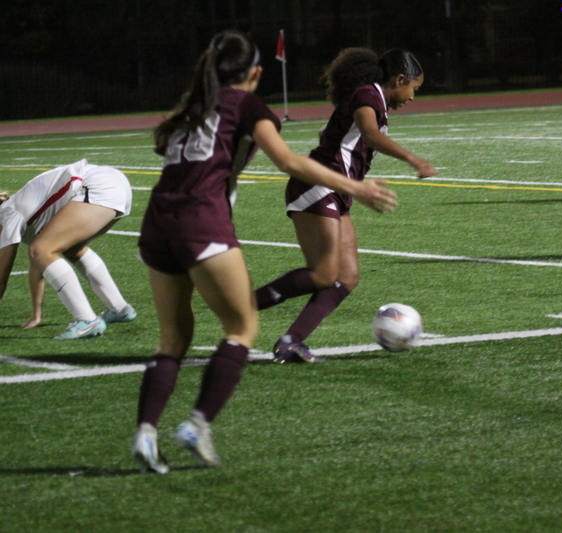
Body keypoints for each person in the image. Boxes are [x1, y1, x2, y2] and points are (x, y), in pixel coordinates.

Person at [131, 30, 397, 474]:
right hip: (201, 221)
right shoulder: (248, 105)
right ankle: (197, 423)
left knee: (173, 339)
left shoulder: (191, 105)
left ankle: (145, 433)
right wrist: (356, 187)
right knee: (242, 326)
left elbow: (168, 146)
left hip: (156, 224)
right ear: (255, 72)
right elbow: (290, 162)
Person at [253, 47, 437, 364]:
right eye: (413, 89)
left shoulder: (373, 99)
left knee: (347, 278)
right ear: (400, 78)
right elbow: (369, 132)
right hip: (318, 184)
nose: (412, 97)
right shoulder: (369, 94)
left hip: (337, 191)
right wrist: (412, 158)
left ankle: (290, 341)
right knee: (324, 274)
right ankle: (243, 305)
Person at [0, 160, 137, 339]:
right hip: (113, 183)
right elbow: (37, 264)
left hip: (98, 185)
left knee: (42, 249)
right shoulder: (16, 213)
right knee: (68, 249)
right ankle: (119, 309)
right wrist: (36, 314)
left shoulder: (7, 216)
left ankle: (87, 320)